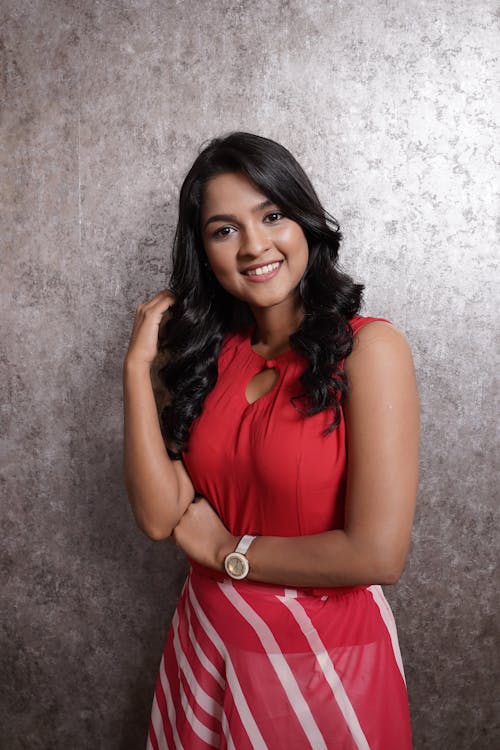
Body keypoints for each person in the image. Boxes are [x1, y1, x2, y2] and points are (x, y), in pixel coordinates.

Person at [123, 132, 420, 750]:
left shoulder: (370, 350)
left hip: (322, 664)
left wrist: (231, 551)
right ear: (203, 252)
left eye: (273, 215)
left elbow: (377, 555)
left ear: (306, 221)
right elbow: (159, 518)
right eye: (224, 229)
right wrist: (135, 370)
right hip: (209, 647)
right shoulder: (211, 358)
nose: (255, 245)